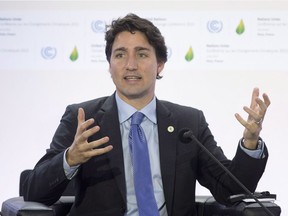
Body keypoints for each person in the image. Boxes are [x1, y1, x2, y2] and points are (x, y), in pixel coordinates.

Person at [23, 13, 271, 216]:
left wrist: (250, 143)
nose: (131, 65)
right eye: (120, 55)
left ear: (160, 63)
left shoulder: (188, 123)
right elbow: (34, 192)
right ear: (109, 65)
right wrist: (70, 158)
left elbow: (232, 190)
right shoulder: (84, 118)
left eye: (142, 54)